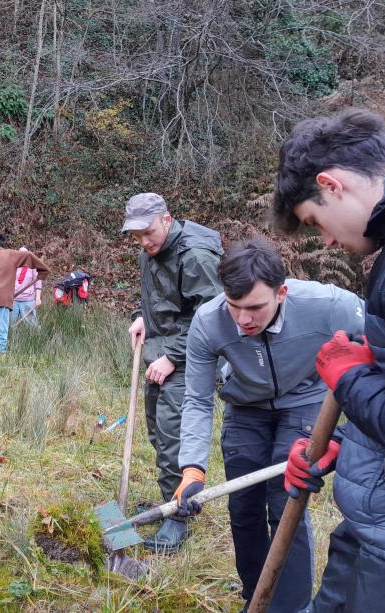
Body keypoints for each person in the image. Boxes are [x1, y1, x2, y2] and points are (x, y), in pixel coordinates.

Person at [271, 108, 385, 610]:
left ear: (331, 185)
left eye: (315, 223)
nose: (327, 241)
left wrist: (350, 376)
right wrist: (343, 444)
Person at [174, 238, 364, 613]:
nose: (244, 319)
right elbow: (196, 398)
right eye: (235, 306)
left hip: (306, 401)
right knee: (243, 506)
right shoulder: (209, 321)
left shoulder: (329, 304)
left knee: (286, 498)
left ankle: (289, 607)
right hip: (245, 408)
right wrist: (192, 465)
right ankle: (256, 600)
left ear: (282, 292)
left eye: (255, 307)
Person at [121, 192, 223, 552]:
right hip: (159, 350)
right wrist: (141, 317)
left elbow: (213, 316)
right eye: (137, 236)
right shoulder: (150, 252)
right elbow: (153, 296)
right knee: (158, 432)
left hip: (191, 358)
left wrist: (174, 357)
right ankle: (171, 498)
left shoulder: (195, 255)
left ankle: (177, 520)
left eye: (148, 232)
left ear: (166, 219)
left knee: (173, 437)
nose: (144, 242)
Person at [0, 235, 48, 355]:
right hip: (1, 298)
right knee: (1, 331)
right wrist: (43, 271)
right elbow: (28, 255)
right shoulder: (10, 254)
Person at [11, 246, 42, 327]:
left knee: (32, 326)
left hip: (28, 300)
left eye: (24, 253)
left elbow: (38, 282)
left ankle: (38, 338)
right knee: (11, 325)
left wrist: (38, 298)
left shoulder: (33, 267)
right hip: (14, 300)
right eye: (20, 253)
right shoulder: (14, 265)